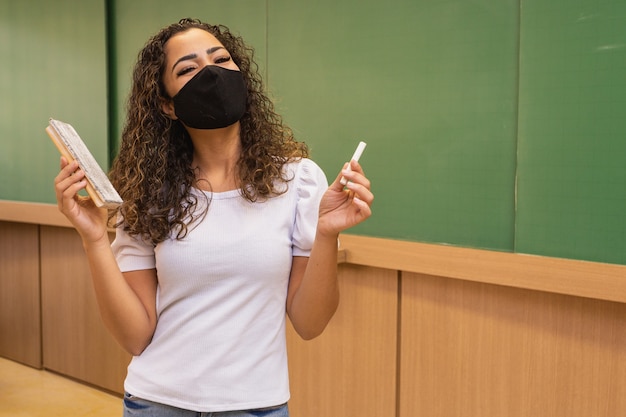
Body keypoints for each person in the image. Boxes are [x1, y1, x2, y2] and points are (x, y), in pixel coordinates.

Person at [54, 18, 373, 417]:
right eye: (187, 69)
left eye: (221, 59)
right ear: (167, 104)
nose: (211, 73)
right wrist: (94, 239)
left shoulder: (299, 181)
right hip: (156, 403)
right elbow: (135, 336)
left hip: (257, 406)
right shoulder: (148, 192)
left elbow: (310, 323)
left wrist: (326, 234)